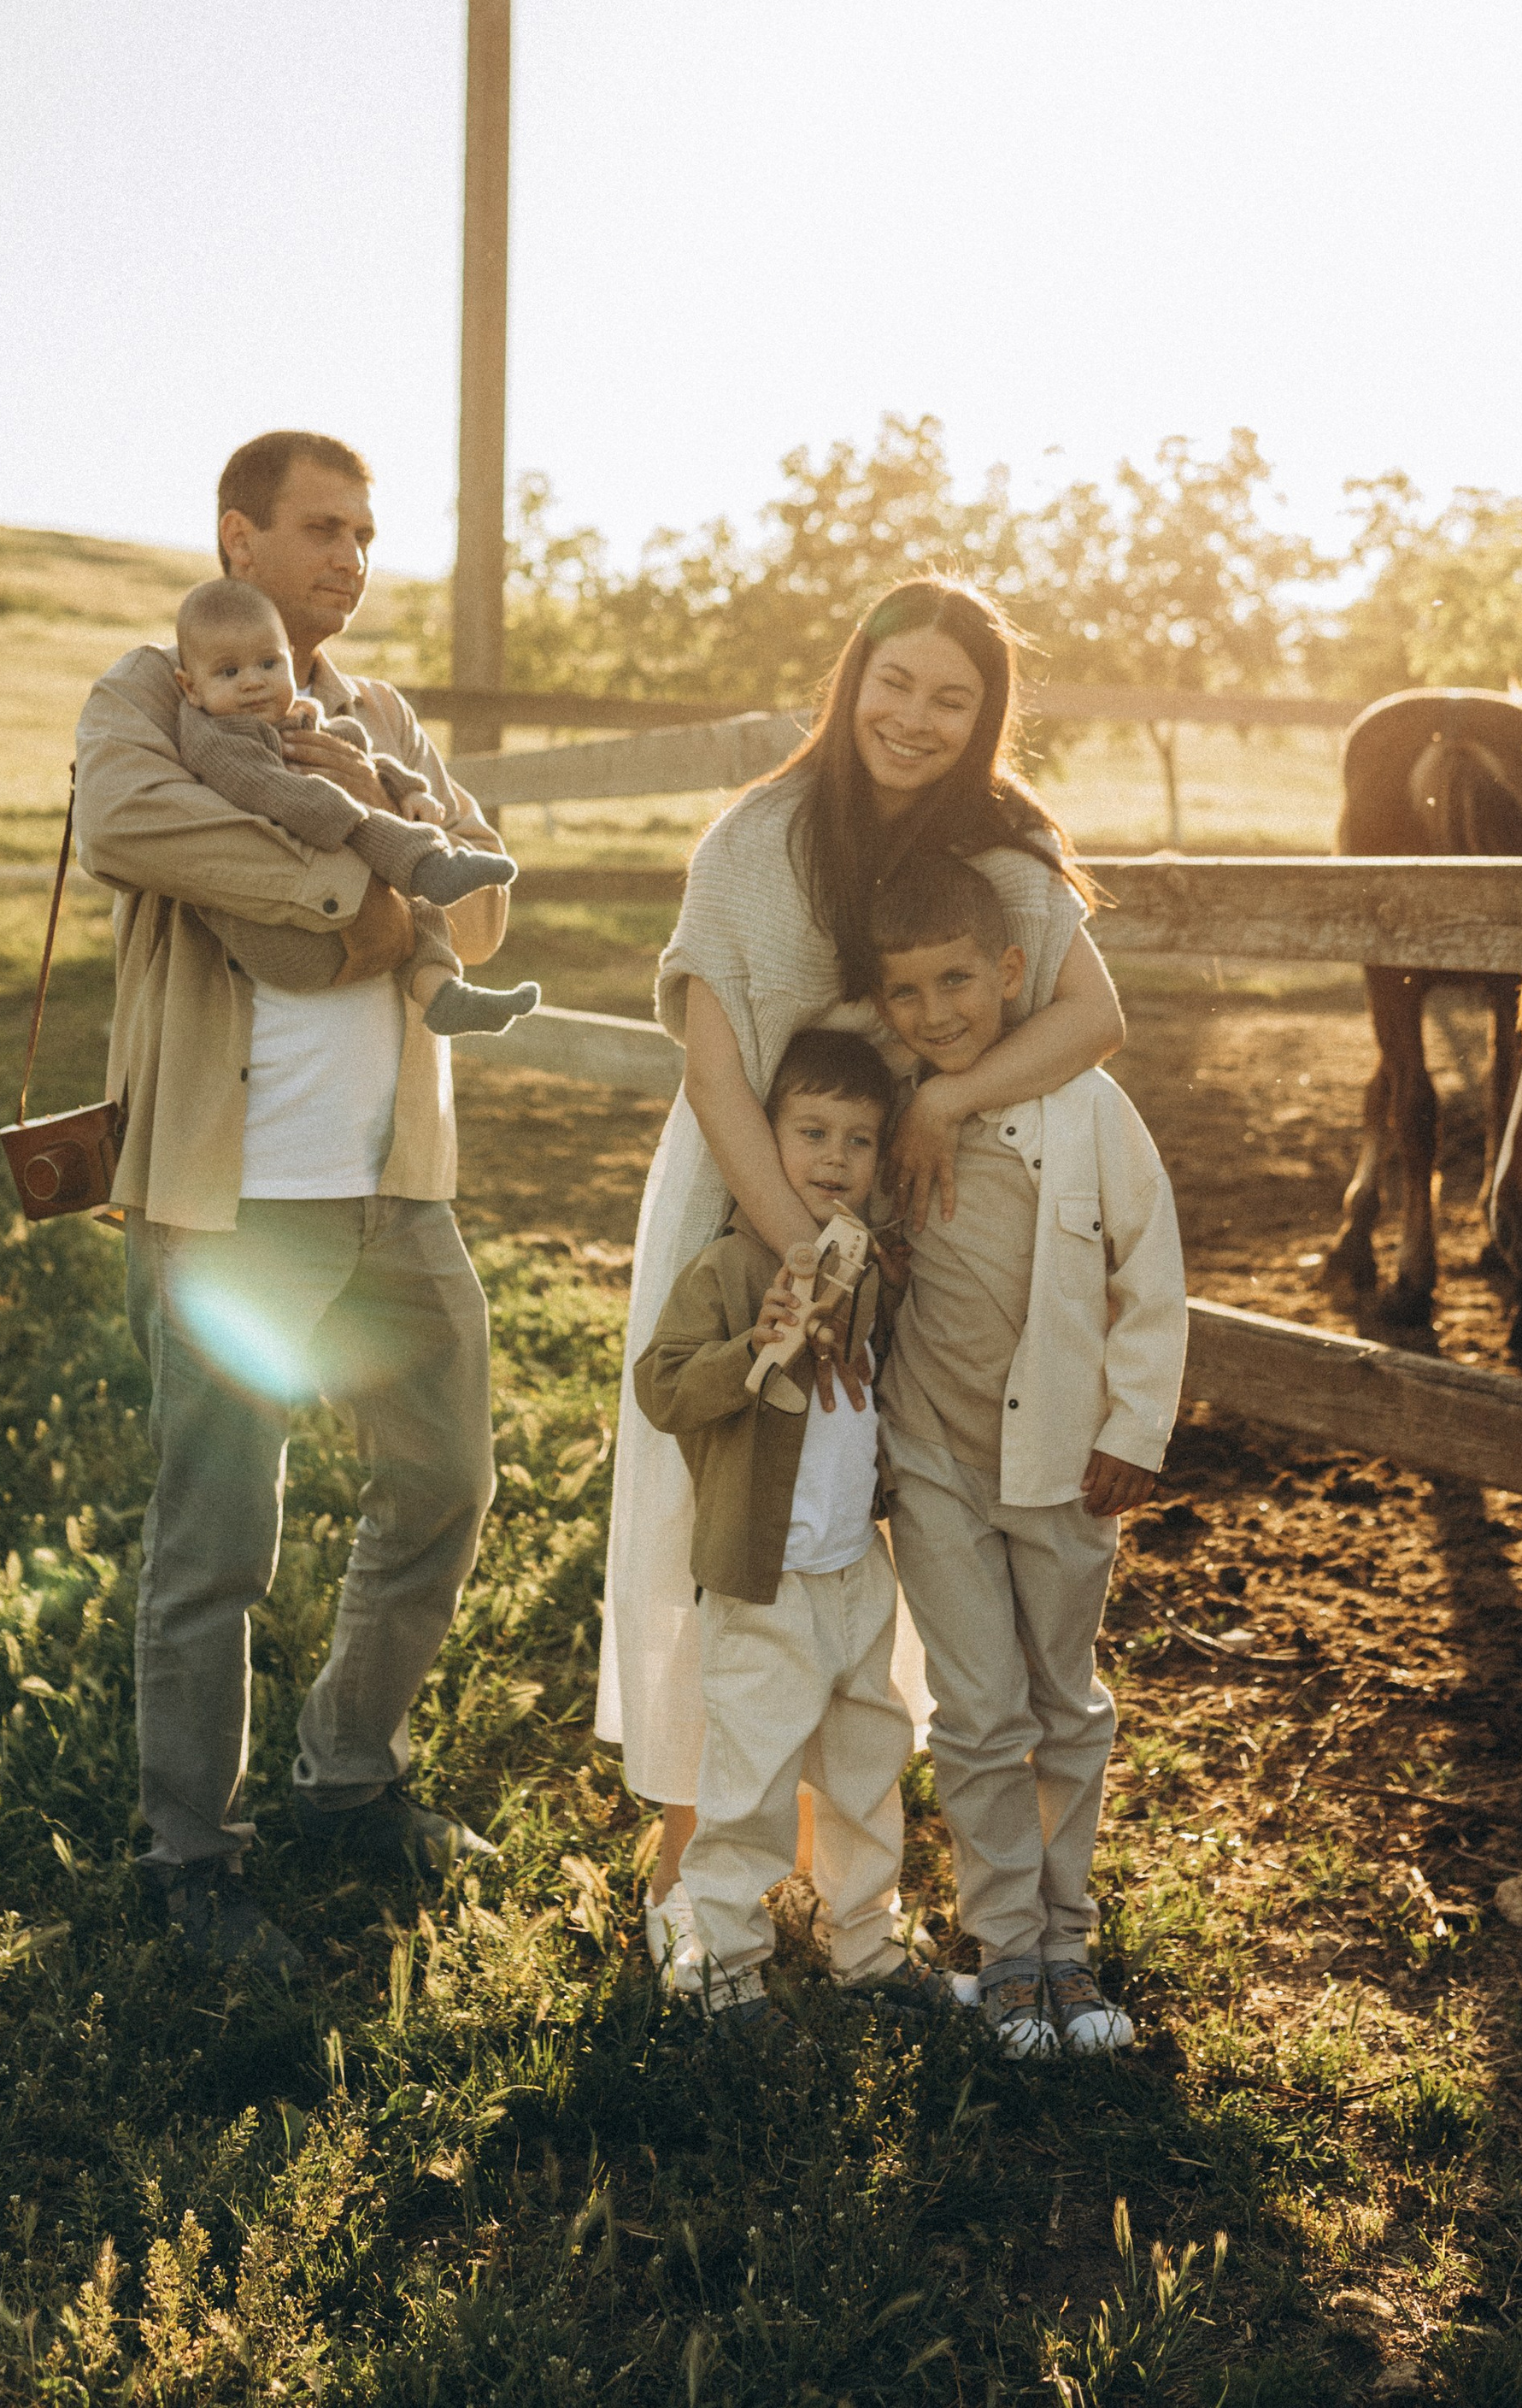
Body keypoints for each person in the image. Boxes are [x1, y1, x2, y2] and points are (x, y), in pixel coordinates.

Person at [595, 576, 1128, 1990]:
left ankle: (847, 1881)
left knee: (861, 1529)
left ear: (983, 717)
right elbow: (714, 1068)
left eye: (953, 698)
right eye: (897, 683)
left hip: (913, 1233)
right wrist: (800, 1256)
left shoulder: (1001, 855)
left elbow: (1093, 1014)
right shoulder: (758, 839)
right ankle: (689, 1866)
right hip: (745, 1198)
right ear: (853, 678)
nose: (917, 717)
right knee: (722, 1522)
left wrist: (945, 1112)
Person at [75, 428, 510, 1982]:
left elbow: (488, 887)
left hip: (399, 1186)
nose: (353, 559)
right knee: (218, 1537)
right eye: (324, 529)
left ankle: (350, 1768)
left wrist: (386, 878)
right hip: (235, 1201)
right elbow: (132, 825)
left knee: (446, 1483)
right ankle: (191, 1853)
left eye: (368, 533)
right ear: (237, 539)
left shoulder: (378, 711)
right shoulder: (151, 689)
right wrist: (353, 903)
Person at [869, 854, 1186, 2061]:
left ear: (1012, 972)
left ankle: (1070, 1940)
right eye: (906, 993)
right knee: (977, 1711)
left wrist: (1132, 1429)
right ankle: (1005, 1950)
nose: (936, 1012)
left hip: (1064, 1464)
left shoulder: (1093, 1111)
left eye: (957, 980)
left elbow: (1150, 1277)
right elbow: (879, 1260)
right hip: (937, 1463)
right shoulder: (903, 1112)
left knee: (1065, 1703)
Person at [633, 1029, 951, 2029]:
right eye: (810, 1132)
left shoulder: (864, 1269)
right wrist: (754, 1347)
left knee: (868, 1771)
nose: (833, 1159)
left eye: (858, 1141)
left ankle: (864, 1941)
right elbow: (663, 1389)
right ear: (760, 1139)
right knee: (750, 1784)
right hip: (762, 1578)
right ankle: (726, 1965)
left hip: (855, 1570)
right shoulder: (732, 1268)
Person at [171, 574, 539, 1037]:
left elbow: (359, 749)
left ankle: (445, 995)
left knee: (414, 909)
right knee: (364, 845)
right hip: (286, 940)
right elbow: (272, 791)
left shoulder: (337, 712)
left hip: (344, 912)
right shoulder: (213, 737)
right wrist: (355, 815)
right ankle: (428, 865)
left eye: (269, 664)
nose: (252, 683)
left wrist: (402, 791)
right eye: (229, 673)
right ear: (190, 688)